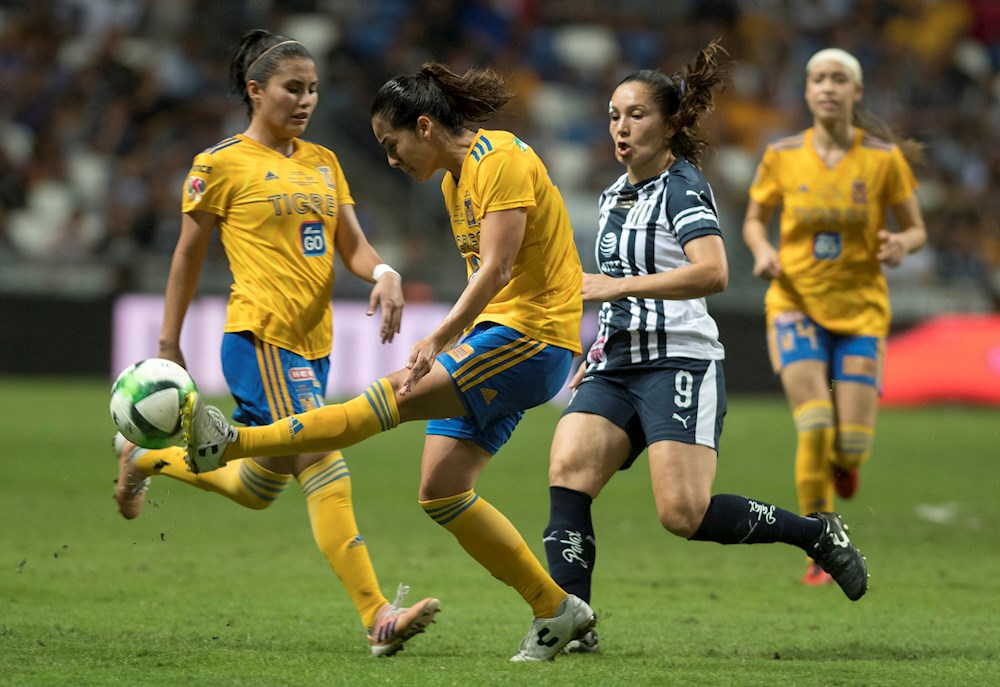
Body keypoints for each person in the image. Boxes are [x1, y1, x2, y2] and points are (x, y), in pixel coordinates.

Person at [181, 61, 596, 662]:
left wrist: (441, 337)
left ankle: (233, 443)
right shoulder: (455, 182)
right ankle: (554, 608)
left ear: (424, 127)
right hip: (501, 336)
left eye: (391, 143)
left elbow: (498, 269)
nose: (391, 159)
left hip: (530, 339)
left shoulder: (501, 160)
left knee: (389, 399)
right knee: (441, 491)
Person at [111, 29, 439, 657]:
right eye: (293, 88)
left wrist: (384, 271)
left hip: (315, 343)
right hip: (259, 336)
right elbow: (187, 255)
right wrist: (168, 342)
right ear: (256, 90)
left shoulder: (324, 161)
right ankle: (377, 616)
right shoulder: (218, 164)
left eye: (313, 89)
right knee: (323, 459)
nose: (306, 99)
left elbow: (350, 245)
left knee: (258, 489)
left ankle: (145, 458)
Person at [539, 42, 870, 655]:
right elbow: (613, 287)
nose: (620, 127)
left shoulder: (683, 187)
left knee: (682, 515)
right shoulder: (613, 196)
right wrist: (595, 337)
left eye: (636, 115)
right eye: (613, 116)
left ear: (669, 124)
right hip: (616, 362)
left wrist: (616, 286)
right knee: (568, 472)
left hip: (679, 361)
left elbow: (713, 272)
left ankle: (815, 534)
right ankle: (573, 625)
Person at [741, 47, 926, 585]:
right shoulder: (782, 155)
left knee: (851, 446)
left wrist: (902, 243)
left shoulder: (882, 160)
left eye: (838, 79)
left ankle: (847, 464)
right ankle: (821, 546)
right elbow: (754, 219)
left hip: (861, 313)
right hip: (794, 303)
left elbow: (916, 228)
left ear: (856, 92)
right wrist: (762, 249)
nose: (827, 86)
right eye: (818, 78)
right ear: (806, 91)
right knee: (815, 424)